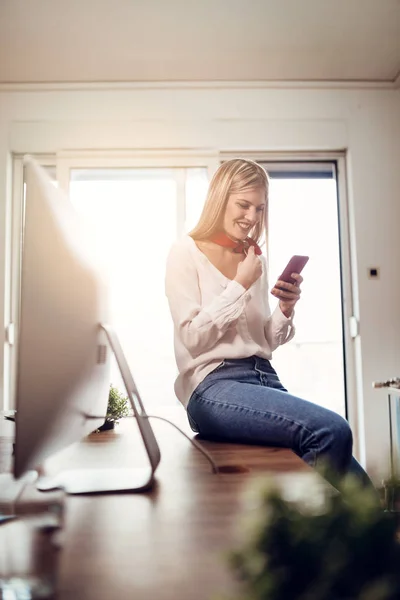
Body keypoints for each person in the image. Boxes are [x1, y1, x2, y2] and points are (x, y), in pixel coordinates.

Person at [165, 158, 374, 491]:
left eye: (260, 208)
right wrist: (239, 285)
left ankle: (367, 541)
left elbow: (266, 339)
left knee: (364, 491)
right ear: (220, 199)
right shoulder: (185, 252)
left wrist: (286, 307)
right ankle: (298, 536)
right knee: (331, 431)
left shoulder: (252, 258)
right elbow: (192, 337)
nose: (252, 217)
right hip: (211, 386)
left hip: (263, 377)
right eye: (244, 205)